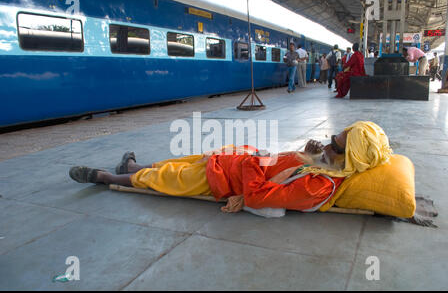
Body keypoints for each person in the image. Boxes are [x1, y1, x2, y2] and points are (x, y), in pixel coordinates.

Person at [69, 121, 392, 213]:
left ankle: (106, 177)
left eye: (332, 144)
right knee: (188, 159)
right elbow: (278, 165)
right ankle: (133, 165)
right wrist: (301, 154)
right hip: (238, 162)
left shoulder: (318, 186)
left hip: (226, 179)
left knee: (166, 176)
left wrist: (252, 164)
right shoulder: (323, 165)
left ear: (349, 157)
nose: (325, 145)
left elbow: (256, 197)